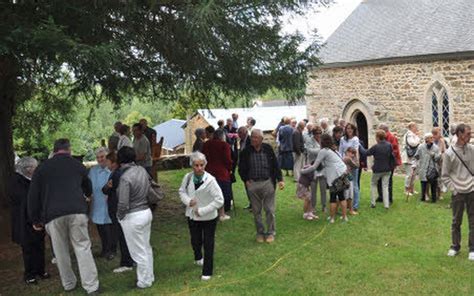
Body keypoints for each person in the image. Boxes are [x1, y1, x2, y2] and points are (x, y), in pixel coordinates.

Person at [28, 139, 99, 295]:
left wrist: (35, 219)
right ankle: (91, 286)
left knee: (60, 252)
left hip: (53, 214)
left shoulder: (42, 168)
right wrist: (86, 196)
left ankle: (68, 284)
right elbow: (88, 186)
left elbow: (33, 196)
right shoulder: (77, 165)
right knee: (83, 248)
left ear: (54, 151)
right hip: (77, 211)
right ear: (69, 150)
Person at [179, 152, 224, 281]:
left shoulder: (211, 181)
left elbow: (219, 200)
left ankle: (207, 271)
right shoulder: (187, 177)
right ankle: (198, 257)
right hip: (192, 216)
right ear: (191, 166)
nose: (199, 168)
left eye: (201, 165)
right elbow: (182, 191)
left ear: (205, 165)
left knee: (208, 243)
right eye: (196, 165)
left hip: (208, 217)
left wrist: (203, 210)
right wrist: (188, 201)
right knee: (195, 240)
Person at [117, 146, 154, 289]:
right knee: (146, 247)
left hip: (133, 216)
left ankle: (144, 281)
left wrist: (119, 217)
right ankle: (149, 277)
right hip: (146, 212)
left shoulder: (125, 177)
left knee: (138, 252)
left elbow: (123, 203)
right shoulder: (142, 170)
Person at [239, 129, 284, 243]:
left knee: (269, 209)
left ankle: (270, 232)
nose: (253, 139)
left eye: (255, 137)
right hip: (253, 184)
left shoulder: (268, 149)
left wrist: (280, 179)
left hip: (267, 182)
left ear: (261, 139)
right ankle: (260, 232)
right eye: (252, 137)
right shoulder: (246, 151)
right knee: (256, 210)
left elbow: (275, 165)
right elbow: (241, 168)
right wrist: (246, 180)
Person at [10, 157, 49, 284]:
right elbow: (25, 203)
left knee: (39, 246)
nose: (36, 169)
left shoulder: (33, 180)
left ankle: (40, 270)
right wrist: (33, 221)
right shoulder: (17, 182)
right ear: (27, 169)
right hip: (24, 222)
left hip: (36, 219)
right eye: (34, 167)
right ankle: (29, 274)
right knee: (28, 249)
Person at [441, 124, 473, 261]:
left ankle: (472, 248)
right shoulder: (449, 153)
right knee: (456, 221)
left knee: (473, 221)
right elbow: (444, 175)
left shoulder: (472, 149)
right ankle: (455, 246)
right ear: (459, 134)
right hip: (458, 191)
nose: (470, 135)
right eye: (467, 133)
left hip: (472, 189)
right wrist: (454, 189)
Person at [301, 134, 349, 223]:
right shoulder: (330, 150)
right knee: (342, 196)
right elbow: (321, 164)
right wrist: (309, 165)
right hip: (342, 173)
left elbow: (315, 167)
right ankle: (344, 217)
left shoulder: (323, 151)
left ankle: (332, 218)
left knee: (333, 197)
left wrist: (302, 171)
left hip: (335, 176)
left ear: (322, 141)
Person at [102, 152, 134, 273]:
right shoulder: (120, 173)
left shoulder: (116, 175)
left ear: (114, 163)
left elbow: (106, 189)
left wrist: (107, 187)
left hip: (117, 209)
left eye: (108, 162)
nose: (106, 164)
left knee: (122, 236)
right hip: (120, 208)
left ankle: (127, 262)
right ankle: (131, 259)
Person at [202, 129, 233, 221]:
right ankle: (221, 214)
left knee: (210, 194)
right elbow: (227, 160)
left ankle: (211, 213)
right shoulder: (224, 145)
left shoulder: (206, 144)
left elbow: (203, 157)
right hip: (221, 173)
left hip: (208, 172)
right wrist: (230, 168)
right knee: (221, 194)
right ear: (222, 136)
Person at [88, 147, 113, 259]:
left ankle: (111, 250)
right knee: (100, 227)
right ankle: (105, 249)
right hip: (97, 202)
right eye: (98, 157)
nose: (100, 159)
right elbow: (88, 186)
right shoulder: (93, 171)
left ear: (107, 157)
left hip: (109, 202)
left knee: (109, 227)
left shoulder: (112, 170)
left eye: (102, 157)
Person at [364, 130, 394, 209]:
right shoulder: (389, 145)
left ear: (377, 137)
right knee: (385, 186)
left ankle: (373, 203)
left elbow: (366, 153)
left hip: (377, 169)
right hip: (387, 169)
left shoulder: (376, 146)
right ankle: (386, 204)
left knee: (373, 184)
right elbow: (392, 156)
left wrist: (359, 147)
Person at [377, 123, 402, 204]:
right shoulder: (382, 137)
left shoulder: (391, 137)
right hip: (382, 162)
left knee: (388, 180)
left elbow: (395, 150)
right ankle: (381, 197)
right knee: (380, 179)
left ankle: (389, 198)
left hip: (389, 162)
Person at [305, 126, 327, 214]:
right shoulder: (309, 140)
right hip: (313, 166)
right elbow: (310, 151)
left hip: (322, 167)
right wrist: (321, 150)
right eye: (316, 133)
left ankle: (324, 205)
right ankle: (313, 207)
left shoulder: (323, 140)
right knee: (313, 189)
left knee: (323, 188)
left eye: (320, 133)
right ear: (313, 134)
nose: (318, 135)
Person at [339, 123, 360, 214]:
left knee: (354, 184)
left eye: (351, 128)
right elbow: (340, 151)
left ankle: (355, 205)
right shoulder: (342, 139)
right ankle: (346, 204)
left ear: (353, 130)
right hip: (344, 163)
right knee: (345, 184)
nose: (349, 130)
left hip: (352, 162)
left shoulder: (355, 139)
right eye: (348, 128)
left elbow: (356, 151)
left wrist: (355, 162)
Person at [414, 133, 441, 203]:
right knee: (423, 183)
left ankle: (434, 199)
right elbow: (416, 156)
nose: (432, 139)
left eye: (432, 138)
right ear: (426, 139)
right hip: (423, 167)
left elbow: (438, 158)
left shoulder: (436, 147)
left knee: (433, 184)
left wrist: (434, 155)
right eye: (430, 138)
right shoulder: (421, 147)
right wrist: (414, 164)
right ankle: (423, 198)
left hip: (433, 169)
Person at [402, 122, 421, 196]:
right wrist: (418, 137)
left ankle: (412, 189)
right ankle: (406, 190)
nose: (416, 128)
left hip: (413, 157)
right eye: (415, 126)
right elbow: (413, 143)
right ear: (411, 127)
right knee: (409, 174)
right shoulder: (409, 134)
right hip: (408, 157)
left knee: (413, 174)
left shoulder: (413, 135)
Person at [237, 126, 252, 210]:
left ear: (245, 132)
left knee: (251, 186)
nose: (239, 135)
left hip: (249, 167)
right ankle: (251, 203)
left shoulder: (250, 140)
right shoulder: (242, 141)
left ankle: (254, 204)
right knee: (247, 186)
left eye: (240, 133)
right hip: (243, 168)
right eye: (238, 133)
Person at [433, 127, 448, 198]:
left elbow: (444, 151)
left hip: (441, 161)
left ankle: (440, 193)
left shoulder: (442, 141)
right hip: (433, 162)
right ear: (434, 134)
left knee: (440, 178)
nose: (440, 134)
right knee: (433, 178)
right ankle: (434, 192)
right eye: (439, 133)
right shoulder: (431, 140)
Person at [343, 147, 359, 215]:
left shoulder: (350, 159)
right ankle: (345, 212)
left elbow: (356, 165)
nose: (352, 155)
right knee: (345, 196)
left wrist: (355, 157)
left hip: (349, 178)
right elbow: (356, 165)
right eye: (351, 153)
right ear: (347, 152)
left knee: (350, 196)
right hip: (345, 179)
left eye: (353, 153)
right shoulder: (346, 158)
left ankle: (350, 210)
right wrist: (355, 158)